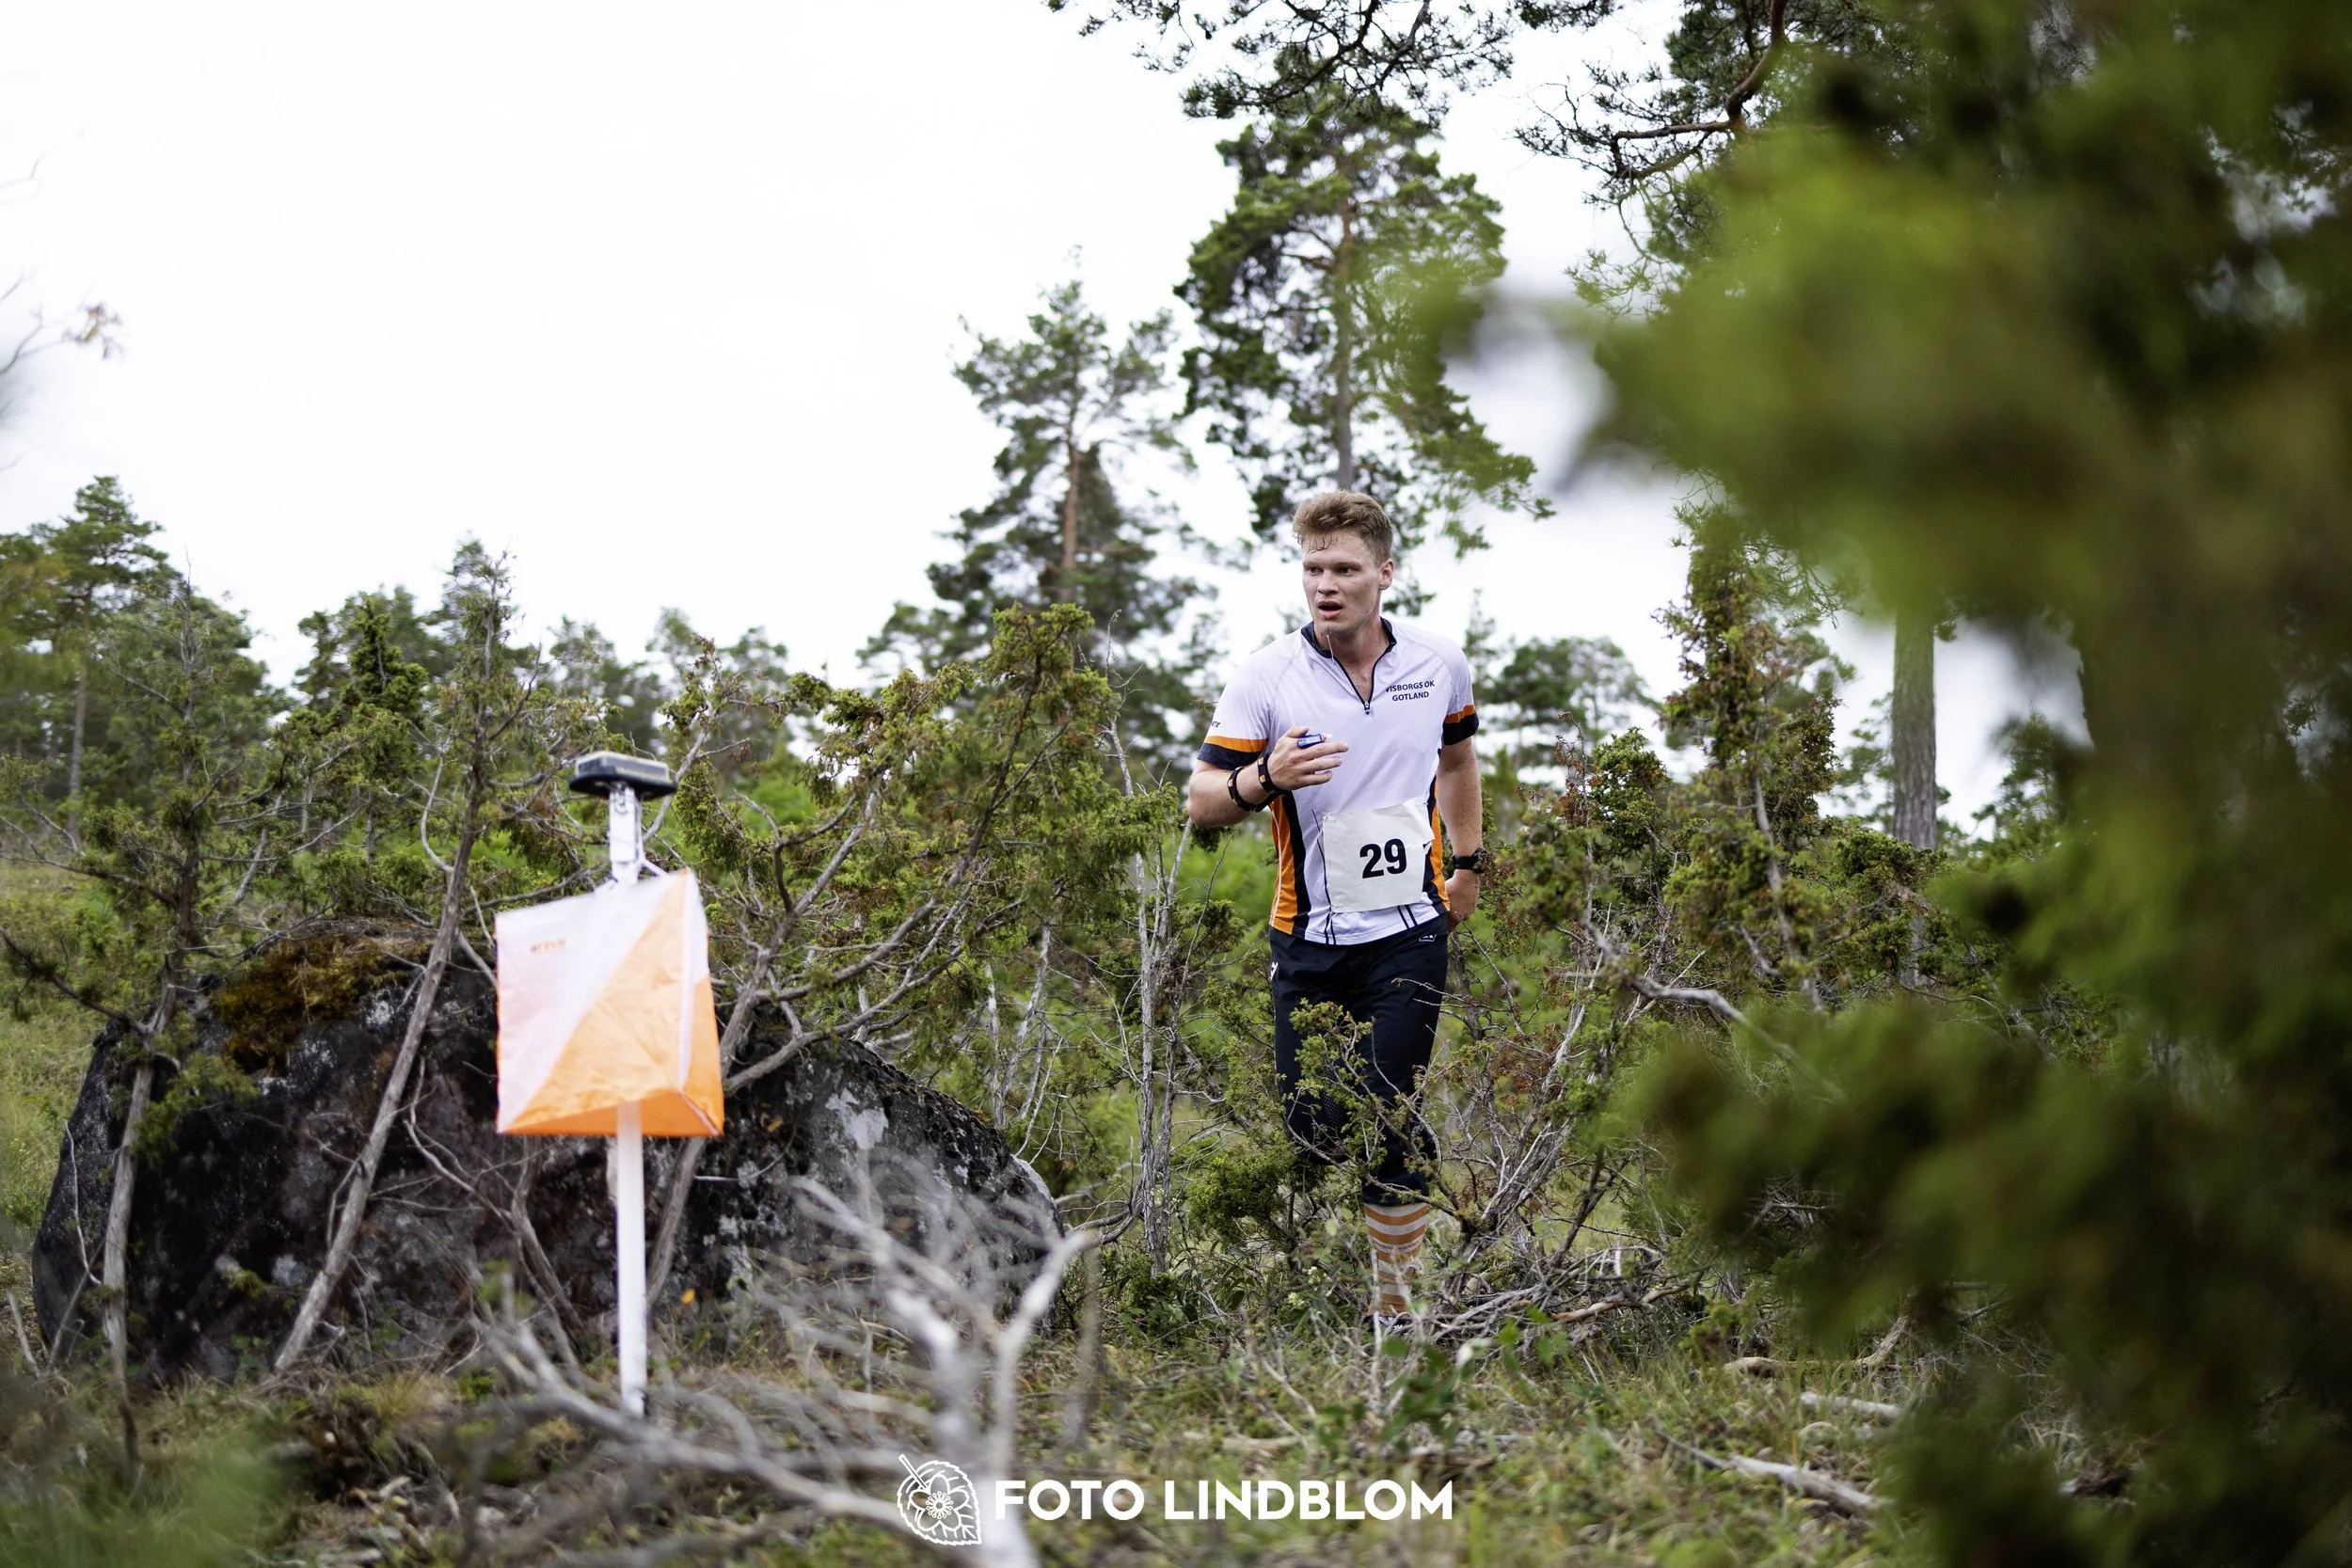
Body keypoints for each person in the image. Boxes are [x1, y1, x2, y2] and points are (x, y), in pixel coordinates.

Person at [1186, 491, 1487, 1325]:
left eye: (1345, 568)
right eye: (1313, 568)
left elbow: (1457, 761)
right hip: (1308, 939)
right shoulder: (1267, 676)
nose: (1326, 584)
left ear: (1384, 574)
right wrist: (1264, 778)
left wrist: (1468, 864)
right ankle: (1405, 1158)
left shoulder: (1438, 662)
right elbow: (1202, 800)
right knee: (1315, 1128)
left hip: (1409, 929)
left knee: (1386, 1111)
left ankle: (1397, 1313)